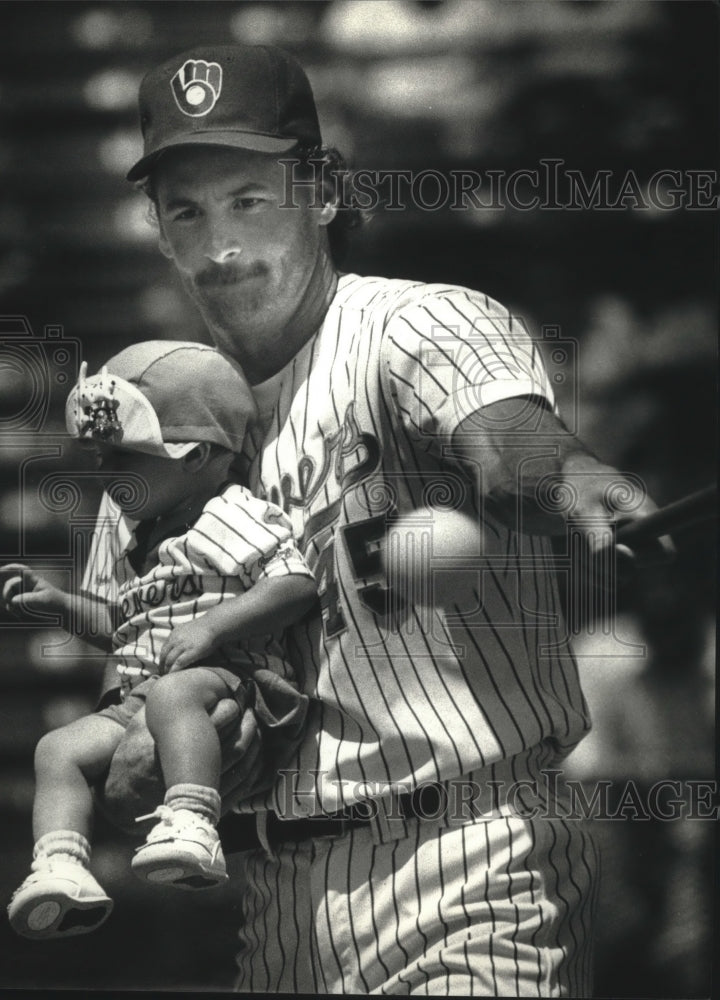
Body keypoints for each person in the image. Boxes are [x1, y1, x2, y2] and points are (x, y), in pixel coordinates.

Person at [95, 44, 670, 995]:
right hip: (274, 904)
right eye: (187, 213)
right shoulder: (144, 429)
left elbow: (503, 436)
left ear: (321, 190)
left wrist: (566, 474)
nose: (221, 245)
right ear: (157, 231)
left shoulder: (414, 324)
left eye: (250, 199)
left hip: (474, 861)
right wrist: (142, 763)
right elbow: (124, 725)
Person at [3, 340, 316, 941]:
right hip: (145, 693)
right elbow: (126, 636)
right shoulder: (139, 542)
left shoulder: (225, 516)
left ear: (195, 456)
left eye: (124, 458)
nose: (103, 472)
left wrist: (212, 626)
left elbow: (294, 584)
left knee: (174, 698)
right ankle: (61, 866)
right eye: (100, 455)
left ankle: (194, 823)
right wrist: (64, 607)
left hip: (227, 675)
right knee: (57, 749)